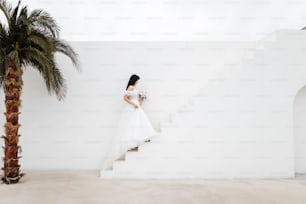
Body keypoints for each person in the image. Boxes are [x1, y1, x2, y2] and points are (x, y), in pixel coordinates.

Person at [101, 74, 158, 170]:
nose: (138, 82)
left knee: (138, 122)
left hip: (135, 106)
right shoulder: (131, 87)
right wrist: (133, 104)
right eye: (137, 80)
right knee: (133, 124)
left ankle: (141, 139)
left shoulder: (133, 88)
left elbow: (134, 99)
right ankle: (135, 142)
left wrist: (141, 98)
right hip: (132, 107)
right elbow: (125, 98)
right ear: (134, 80)